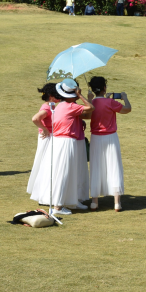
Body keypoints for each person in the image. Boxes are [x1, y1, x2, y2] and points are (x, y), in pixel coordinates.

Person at [30, 78, 93, 215]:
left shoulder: (61, 106)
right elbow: (91, 108)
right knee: (64, 172)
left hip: (64, 140)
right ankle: (57, 206)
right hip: (65, 141)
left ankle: (71, 201)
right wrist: (82, 96)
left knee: (70, 172)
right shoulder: (68, 106)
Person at [87, 76, 131, 211]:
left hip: (96, 137)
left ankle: (94, 201)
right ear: (104, 88)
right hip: (110, 137)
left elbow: (88, 113)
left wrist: (89, 99)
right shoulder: (110, 102)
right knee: (114, 166)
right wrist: (124, 97)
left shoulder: (91, 103)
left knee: (96, 166)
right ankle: (117, 202)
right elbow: (127, 109)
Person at [27, 83, 59, 195]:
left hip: (47, 137)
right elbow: (35, 118)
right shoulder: (48, 108)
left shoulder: (49, 105)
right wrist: (44, 129)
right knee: (46, 164)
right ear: (51, 96)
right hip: (47, 138)